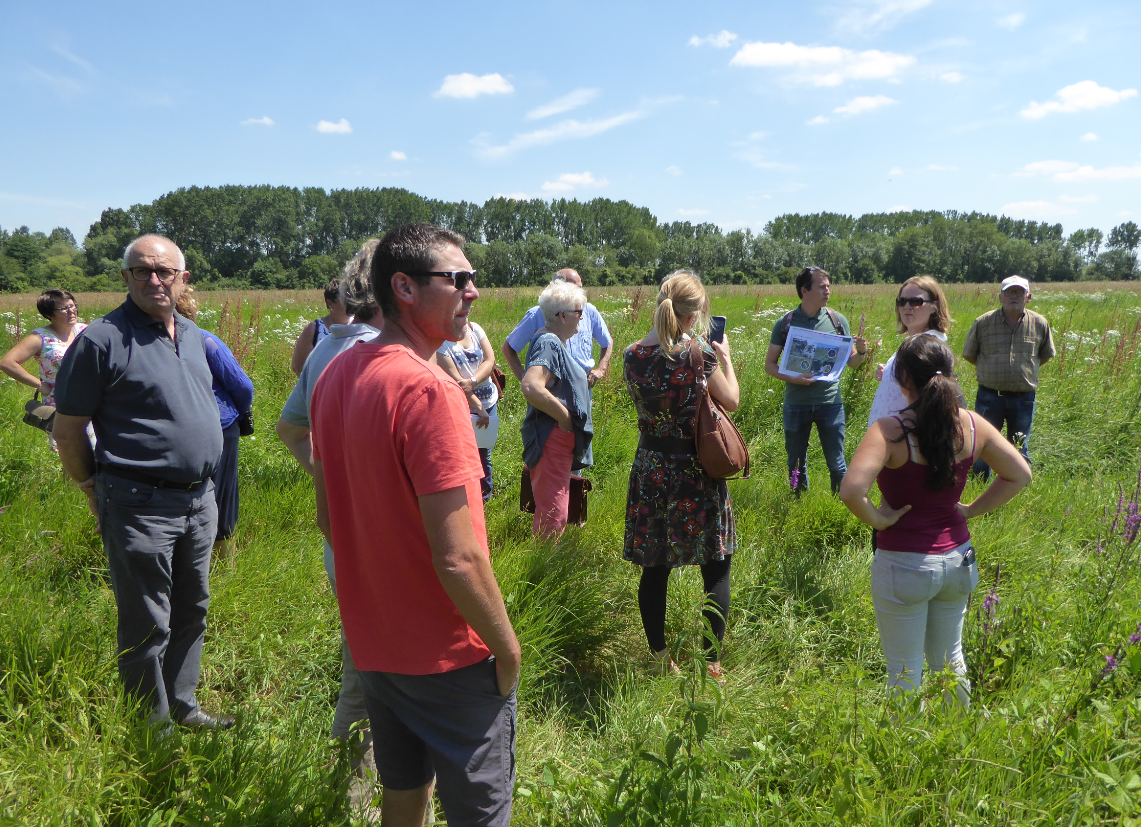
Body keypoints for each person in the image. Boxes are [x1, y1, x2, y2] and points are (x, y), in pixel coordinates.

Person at [310, 223, 520, 827]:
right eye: (457, 279)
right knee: (479, 813)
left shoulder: (334, 379)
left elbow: (331, 520)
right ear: (404, 287)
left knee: (403, 795)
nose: (473, 292)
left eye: (473, 278)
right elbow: (460, 558)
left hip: (376, 645)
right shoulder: (430, 390)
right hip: (448, 657)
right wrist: (507, 650)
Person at [51, 235, 233, 730]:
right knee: (146, 622)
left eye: (164, 271)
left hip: (199, 500)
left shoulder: (192, 335)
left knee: (192, 610)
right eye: (141, 271)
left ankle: (182, 706)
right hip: (138, 502)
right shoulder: (101, 340)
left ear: (183, 278)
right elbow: (68, 431)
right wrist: (92, 487)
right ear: (125, 277)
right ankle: (151, 731)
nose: (154, 280)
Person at [839, 336, 1031, 708]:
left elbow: (851, 491)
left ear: (902, 377)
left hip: (904, 563)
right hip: (959, 558)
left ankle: (906, 752)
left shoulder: (889, 431)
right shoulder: (973, 425)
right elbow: (1020, 474)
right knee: (950, 659)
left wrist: (880, 520)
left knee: (904, 670)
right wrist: (972, 509)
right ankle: (957, 742)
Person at [275, 241, 381, 785]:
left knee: (362, 658)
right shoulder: (370, 355)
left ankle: (364, 782)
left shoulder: (327, 349)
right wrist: (337, 479)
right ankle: (355, 790)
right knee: (369, 672)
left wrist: (329, 476)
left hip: (346, 538)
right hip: (374, 545)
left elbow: (290, 427)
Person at [623, 271, 740, 679]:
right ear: (696, 313)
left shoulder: (631, 354)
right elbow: (733, 400)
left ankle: (659, 659)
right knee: (716, 564)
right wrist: (724, 358)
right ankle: (712, 662)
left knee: (655, 568)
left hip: (652, 469)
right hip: (696, 470)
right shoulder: (700, 353)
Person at [765, 267, 868, 494]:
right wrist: (794, 377)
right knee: (796, 464)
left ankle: (841, 506)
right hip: (796, 404)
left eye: (828, 286)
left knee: (837, 463)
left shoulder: (837, 321)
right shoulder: (785, 323)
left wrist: (860, 353)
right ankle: (798, 507)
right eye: (822, 286)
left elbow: (851, 363)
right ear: (804, 290)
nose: (827, 291)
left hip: (830, 403)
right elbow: (770, 365)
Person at [175, 286, 254, 563]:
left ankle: (200, 558)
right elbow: (242, 386)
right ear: (190, 312)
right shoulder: (206, 341)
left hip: (181, 432)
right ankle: (222, 561)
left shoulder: (148, 346)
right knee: (222, 492)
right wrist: (239, 413)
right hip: (220, 428)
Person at [519, 279, 594, 539]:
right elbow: (531, 386)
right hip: (552, 438)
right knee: (554, 514)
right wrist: (564, 418)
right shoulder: (549, 342)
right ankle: (544, 573)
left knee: (554, 509)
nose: (582, 318)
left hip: (556, 440)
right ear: (562, 315)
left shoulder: (552, 341)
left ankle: (546, 564)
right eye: (578, 312)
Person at [962, 275, 1055, 480]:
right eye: (1009, 292)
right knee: (983, 446)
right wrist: (991, 371)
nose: (1014, 295)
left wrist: (1022, 373)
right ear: (1000, 297)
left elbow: (1045, 355)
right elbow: (969, 354)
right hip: (989, 396)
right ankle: (978, 489)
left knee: (1020, 446)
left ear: (1028, 297)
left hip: (1024, 398)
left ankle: (1015, 490)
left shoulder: (1040, 323)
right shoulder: (983, 322)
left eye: (1019, 292)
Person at [0, 289, 94, 450]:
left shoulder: (84, 330)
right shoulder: (41, 338)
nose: (72, 311)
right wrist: (39, 384)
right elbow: (7, 362)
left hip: (90, 401)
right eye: (64, 308)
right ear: (49, 314)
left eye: (73, 305)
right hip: (60, 405)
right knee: (71, 451)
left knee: (96, 450)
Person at [501, 268, 613, 388]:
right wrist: (527, 382)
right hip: (551, 390)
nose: (580, 294)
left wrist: (601, 369)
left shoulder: (589, 311)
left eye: (581, 288)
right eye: (575, 289)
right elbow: (508, 348)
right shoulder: (537, 314)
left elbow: (607, 341)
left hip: (583, 386)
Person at [868, 276, 952, 425]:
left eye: (915, 301)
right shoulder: (914, 343)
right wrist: (889, 372)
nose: (907, 306)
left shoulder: (928, 347)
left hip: (905, 433)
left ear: (934, 306)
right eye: (901, 301)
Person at [435, 313, 499, 501]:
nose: (466, 316)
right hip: (464, 407)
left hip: (490, 402)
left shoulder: (475, 329)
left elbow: (490, 361)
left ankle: (485, 497)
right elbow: (457, 381)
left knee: (484, 453)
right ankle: (467, 498)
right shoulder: (441, 344)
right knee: (464, 453)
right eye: (459, 314)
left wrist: (472, 381)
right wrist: (478, 407)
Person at [290, 278, 353, 376]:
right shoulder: (313, 329)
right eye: (344, 299)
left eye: (352, 298)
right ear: (330, 303)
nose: (350, 303)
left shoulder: (359, 326)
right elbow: (297, 367)